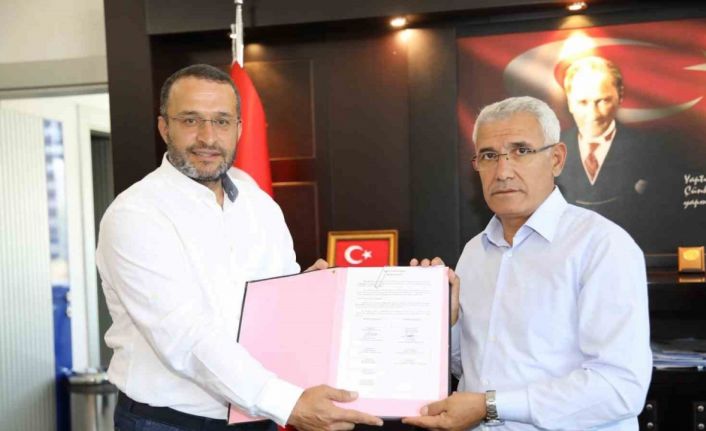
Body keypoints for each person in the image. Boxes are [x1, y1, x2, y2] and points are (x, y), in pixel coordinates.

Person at [96, 64, 383, 431]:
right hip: (169, 422)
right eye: (190, 120)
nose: (208, 137)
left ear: (239, 129)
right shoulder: (135, 215)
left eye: (222, 121)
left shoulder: (258, 203)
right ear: (164, 127)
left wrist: (309, 292)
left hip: (258, 415)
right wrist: (288, 403)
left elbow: (277, 302)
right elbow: (185, 337)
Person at [403, 96, 652, 430]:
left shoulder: (602, 246)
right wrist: (444, 324)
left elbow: (620, 388)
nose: (503, 171)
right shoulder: (474, 252)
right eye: (489, 156)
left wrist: (489, 406)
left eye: (521, 150)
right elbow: (474, 368)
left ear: (556, 159)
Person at [556, 56, 653, 224]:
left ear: (620, 97)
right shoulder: (550, 151)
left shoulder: (649, 151)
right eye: (583, 102)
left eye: (602, 101)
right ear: (570, 103)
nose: (593, 114)